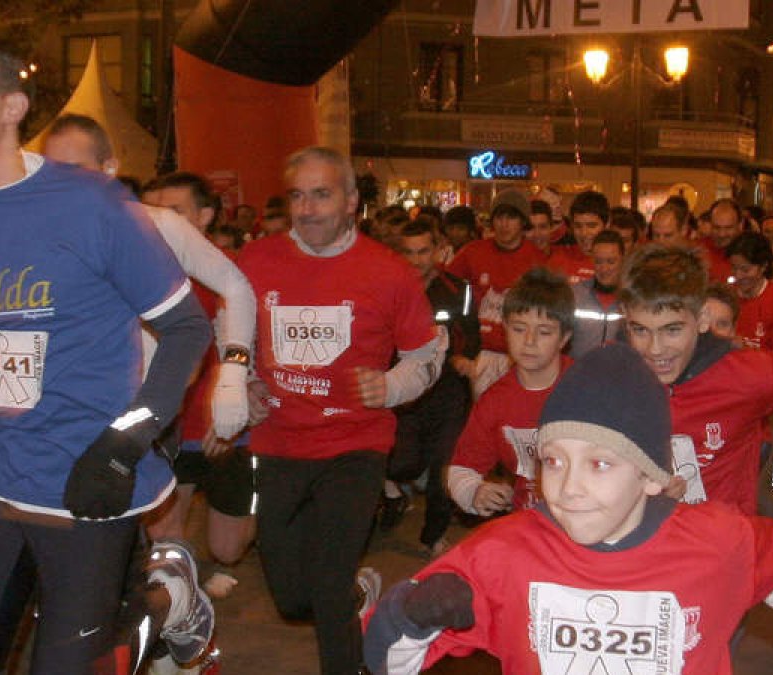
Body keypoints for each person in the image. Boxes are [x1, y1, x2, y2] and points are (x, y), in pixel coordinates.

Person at [0, 32, 215, 673]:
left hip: (87, 479)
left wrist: (122, 445)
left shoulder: (91, 203)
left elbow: (188, 330)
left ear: (13, 106)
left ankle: (165, 602)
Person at [364, 344, 773, 675]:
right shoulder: (501, 554)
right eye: (554, 461)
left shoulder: (717, 543)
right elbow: (385, 662)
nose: (567, 489)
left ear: (653, 477)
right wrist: (405, 613)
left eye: (601, 464)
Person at [234, 146, 443, 674]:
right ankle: (357, 595)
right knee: (290, 597)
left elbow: (426, 354)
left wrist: (393, 385)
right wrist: (248, 381)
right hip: (279, 443)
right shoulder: (255, 262)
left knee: (326, 586)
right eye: (297, 196)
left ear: (351, 201)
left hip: (356, 445)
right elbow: (231, 338)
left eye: (321, 194)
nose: (307, 209)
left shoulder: (388, 272)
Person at [42, 114, 259, 598]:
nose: (64, 184)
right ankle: (146, 619)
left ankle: (172, 623)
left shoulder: (157, 226)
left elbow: (236, 286)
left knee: (151, 528)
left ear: (110, 168)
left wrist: (232, 375)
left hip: (144, 406)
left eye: (77, 169)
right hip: (60, 409)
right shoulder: (31, 232)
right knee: (79, 531)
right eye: (51, 170)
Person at [618, 245, 773, 521]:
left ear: (702, 320)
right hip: (639, 541)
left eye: (672, 330)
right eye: (640, 330)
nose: (655, 349)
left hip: (722, 542)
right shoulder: (610, 377)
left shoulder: (743, 373)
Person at [380, 219, 479, 557]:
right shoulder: (387, 291)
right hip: (404, 398)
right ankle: (395, 492)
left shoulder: (458, 289)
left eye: (424, 251)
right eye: (408, 253)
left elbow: (472, 334)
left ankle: (433, 535)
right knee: (399, 464)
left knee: (443, 468)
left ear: (438, 250)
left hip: (448, 394)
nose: (417, 260)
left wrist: (466, 357)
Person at [447, 267, 574, 516]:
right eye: (518, 328)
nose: (529, 341)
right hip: (529, 521)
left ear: (564, 337)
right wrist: (474, 492)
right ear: (504, 328)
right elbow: (462, 468)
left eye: (544, 331)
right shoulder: (495, 401)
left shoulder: (593, 389)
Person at [446, 191, 546, 397]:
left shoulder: (537, 261)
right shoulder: (472, 252)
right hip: (474, 353)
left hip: (516, 356)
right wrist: (457, 352)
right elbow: (447, 290)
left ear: (523, 222)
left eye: (511, 217)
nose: (504, 224)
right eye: (499, 217)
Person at [725, 231, 773, 350]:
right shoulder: (725, 295)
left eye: (745, 270)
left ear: (763, 266)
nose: (738, 275)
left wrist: (745, 348)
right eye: (734, 268)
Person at [569, 229, 625, 359]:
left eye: (611, 262)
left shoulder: (633, 299)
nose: (604, 269)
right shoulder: (574, 295)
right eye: (598, 262)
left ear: (623, 259)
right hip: (579, 374)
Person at [549, 190, 608, 284]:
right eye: (578, 226)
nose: (584, 233)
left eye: (591, 225)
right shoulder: (557, 258)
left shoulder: (618, 264)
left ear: (606, 225)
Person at [701, 198, 743, 282]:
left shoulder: (753, 252)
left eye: (728, 228)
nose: (722, 234)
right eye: (717, 227)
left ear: (740, 225)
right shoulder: (697, 250)